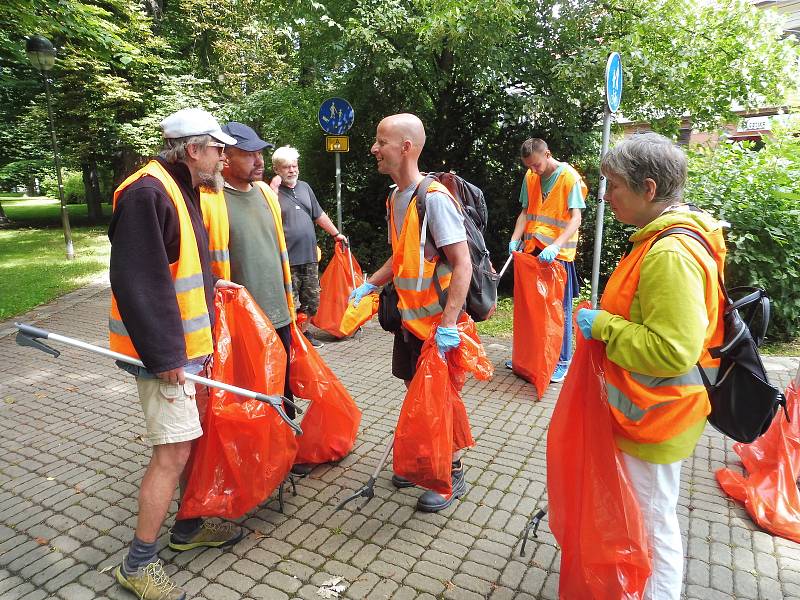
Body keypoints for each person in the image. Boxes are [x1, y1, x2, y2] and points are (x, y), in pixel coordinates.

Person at [576, 133, 726, 600]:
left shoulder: (670, 253)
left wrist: (604, 327)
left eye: (614, 186)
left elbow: (671, 350)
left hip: (657, 415)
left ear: (647, 188)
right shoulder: (660, 240)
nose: (606, 196)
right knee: (648, 513)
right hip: (652, 410)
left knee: (652, 519)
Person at [109, 108, 244, 600]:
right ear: (193, 149)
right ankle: (138, 564)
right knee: (172, 452)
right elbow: (138, 282)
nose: (223, 157)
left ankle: (187, 529)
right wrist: (167, 359)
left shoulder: (180, 187)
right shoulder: (148, 192)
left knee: (189, 442)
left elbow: (177, 262)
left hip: (185, 350)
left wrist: (214, 284)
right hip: (164, 357)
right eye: (217, 148)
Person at [350, 113, 472, 512]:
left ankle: (451, 470)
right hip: (407, 319)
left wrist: (450, 324)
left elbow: (462, 263)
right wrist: (372, 282)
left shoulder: (433, 199)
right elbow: (402, 256)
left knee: (442, 397)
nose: (373, 148)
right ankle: (423, 458)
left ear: (406, 147)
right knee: (413, 389)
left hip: (437, 325)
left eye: (380, 141)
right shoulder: (394, 197)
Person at [198, 122, 312, 476]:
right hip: (242, 320)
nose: (258, 160)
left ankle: (287, 453)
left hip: (278, 313)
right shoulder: (208, 200)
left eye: (259, 152)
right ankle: (255, 458)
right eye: (248, 154)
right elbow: (202, 262)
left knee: (285, 386)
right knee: (251, 391)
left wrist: (290, 304)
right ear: (225, 157)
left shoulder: (265, 193)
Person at [506, 138, 587, 382]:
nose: (533, 170)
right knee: (532, 308)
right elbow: (525, 212)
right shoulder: (530, 177)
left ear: (548, 154)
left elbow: (576, 219)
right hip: (533, 251)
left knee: (558, 309)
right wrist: (514, 239)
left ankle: (562, 361)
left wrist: (555, 245)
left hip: (557, 256)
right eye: (529, 166)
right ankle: (528, 358)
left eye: (537, 165)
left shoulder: (569, 177)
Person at [272, 146, 347, 348]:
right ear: (277, 169)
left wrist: (336, 233)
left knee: (312, 302)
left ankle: (303, 333)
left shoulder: (305, 187)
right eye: (286, 167)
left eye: (294, 166)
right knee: (288, 302)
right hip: (286, 259)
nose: (292, 170)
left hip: (309, 257)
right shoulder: (272, 193)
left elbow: (318, 214)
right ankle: (289, 338)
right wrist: (273, 189)